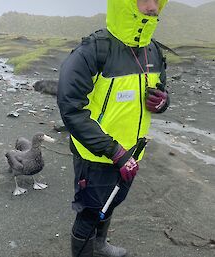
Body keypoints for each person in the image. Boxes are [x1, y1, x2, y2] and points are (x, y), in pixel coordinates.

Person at [57, 0, 170, 256]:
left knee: (112, 202)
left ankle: (99, 246)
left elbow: (162, 90)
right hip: (96, 154)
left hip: (133, 152)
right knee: (89, 211)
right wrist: (114, 152)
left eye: (158, 0)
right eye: (144, 0)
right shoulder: (93, 50)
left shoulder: (152, 50)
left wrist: (162, 102)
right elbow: (71, 108)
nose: (153, 7)